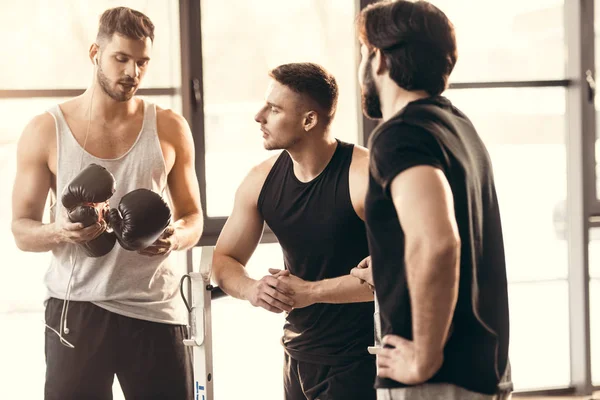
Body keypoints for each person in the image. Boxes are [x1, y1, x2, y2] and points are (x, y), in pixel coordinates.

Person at [11, 7, 203, 400]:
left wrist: (176, 238)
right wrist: (59, 231)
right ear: (95, 52)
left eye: (142, 62)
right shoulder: (46, 130)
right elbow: (21, 231)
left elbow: (193, 217)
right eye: (121, 59)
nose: (133, 72)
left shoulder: (169, 127)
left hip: (154, 309)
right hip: (75, 309)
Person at [350, 1, 512, 399]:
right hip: (481, 369)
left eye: (362, 54)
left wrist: (423, 356)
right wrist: (393, 265)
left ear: (381, 60)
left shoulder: (399, 134)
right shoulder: (456, 126)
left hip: (433, 378)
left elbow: (438, 243)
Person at [211, 62, 376, 400]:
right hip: (297, 353)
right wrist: (252, 288)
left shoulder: (364, 176)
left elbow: (398, 276)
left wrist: (310, 292)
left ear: (309, 120)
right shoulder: (260, 180)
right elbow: (223, 259)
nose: (259, 116)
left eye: (273, 109)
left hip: (364, 357)